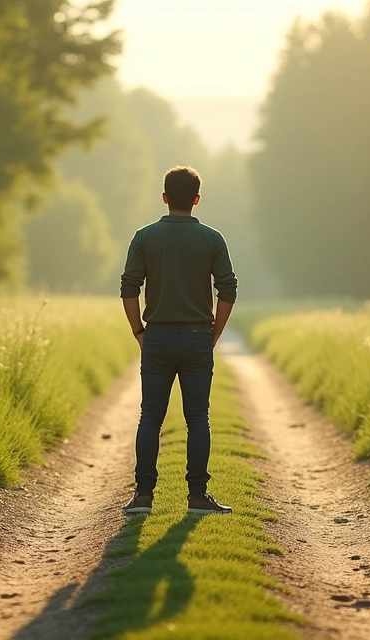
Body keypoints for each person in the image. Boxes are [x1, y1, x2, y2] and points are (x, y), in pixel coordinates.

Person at [119, 166, 238, 516]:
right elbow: (228, 288)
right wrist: (214, 332)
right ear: (197, 199)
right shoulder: (213, 239)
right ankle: (198, 497)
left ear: (165, 197)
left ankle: (143, 496)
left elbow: (129, 287)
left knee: (150, 417)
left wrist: (138, 331)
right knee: (198, 418)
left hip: (155, 337)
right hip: (198, 336)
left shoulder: (144, 237)